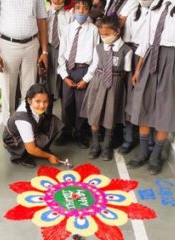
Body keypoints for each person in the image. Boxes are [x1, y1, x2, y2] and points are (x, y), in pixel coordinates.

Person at [128, 0, 175, 174]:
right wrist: (138, 68)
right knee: (143, 104)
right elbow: (146, 39)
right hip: (150, 56)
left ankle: (156, 155)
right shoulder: (156, 3)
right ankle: (143, 152)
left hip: (173, 59)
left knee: (166, 107)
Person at [0, 0, 49, 125]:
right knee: (8, 90)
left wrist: (44, 51)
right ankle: (9, 130)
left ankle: (27, 126)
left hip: (31, 44)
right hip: (8, 44)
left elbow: (42, 20)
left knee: (30, 90)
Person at [80, 14, 133, 160]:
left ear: (116, 31)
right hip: (97, 84)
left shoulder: (126, 51)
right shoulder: (98, 48)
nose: (103, 37)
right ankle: (95, 145)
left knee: (110, 118)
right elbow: (94, 66)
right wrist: (88, 79)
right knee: (95, 117)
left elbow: (126, 71)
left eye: (107, 34)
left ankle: (106, 147)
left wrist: (114, 81)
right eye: (101, 34)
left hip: (114, 87)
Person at [55, 0, 99, 149]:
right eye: (78, 8)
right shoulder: (67, 29)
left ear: (89, 11)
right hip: (69, 69)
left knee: (82, 104)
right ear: (73, 10)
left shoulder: (93, 30)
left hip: (84, 70)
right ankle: (66, 131)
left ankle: (80, 132)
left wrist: (87, 78)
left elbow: (96, 57)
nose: (81, 11)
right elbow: (61, 55)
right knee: (67, 103)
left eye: (84, 9)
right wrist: (64, 76)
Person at [120, 0, 155, 154]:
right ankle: (128, 138)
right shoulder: (133, 8)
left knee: (148, 98)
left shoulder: (159, 9)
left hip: (149, 55)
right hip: (131, 54)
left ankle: (150, 142)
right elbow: (125, 35)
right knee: (129, 98)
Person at [3, 84, 63, 168]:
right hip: (14, 140)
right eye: (38, 101)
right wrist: (49, 156)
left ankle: (39, 149)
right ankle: (22, 155)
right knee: (31, 148)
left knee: (53, 122)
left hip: (28, 132)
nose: (42, 106)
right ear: (29, 101)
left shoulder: (32, 106)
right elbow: (31, 149)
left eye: (45, 101)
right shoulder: (23, 121)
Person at [47, 0, 74, 100]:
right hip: (48, 48)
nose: (57, 0)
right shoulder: (45, 14)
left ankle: (58, 96)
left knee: (60, 74)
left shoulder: (70, 16)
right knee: (47, 76)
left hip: (63, 48)